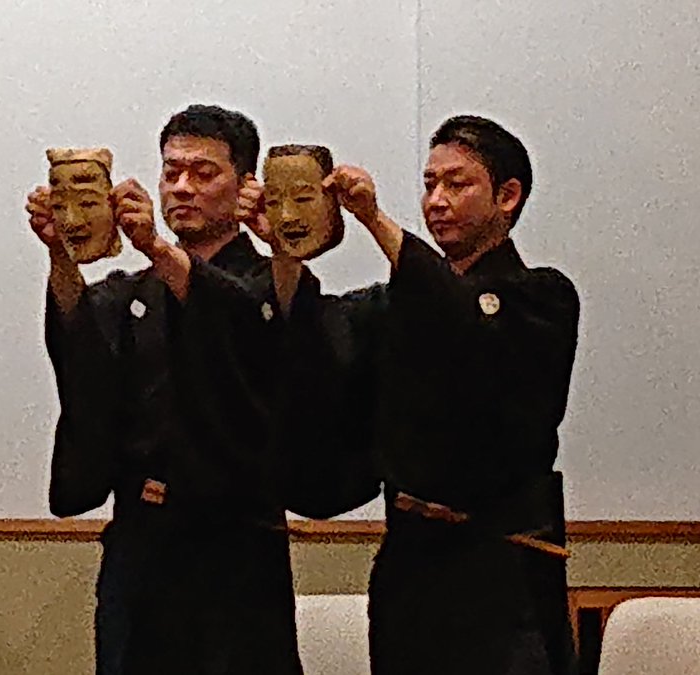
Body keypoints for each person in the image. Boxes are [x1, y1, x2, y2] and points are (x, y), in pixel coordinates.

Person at [268, 115, 580, 675]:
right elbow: (316, 341)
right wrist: (285, 250)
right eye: (430, 183)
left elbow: (460, 322)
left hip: (503, 565)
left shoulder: (541, 296)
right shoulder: (390, 305)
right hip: (410, 561)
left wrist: (373, 218)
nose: (436, 200)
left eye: (457, 184)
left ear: (507, 196)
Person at [29, 104, 323, 674]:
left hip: (236, 543)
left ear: (246, 186)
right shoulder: (132, 291)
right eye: (171, 172)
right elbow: (79, 349)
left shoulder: (273, 283)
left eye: (203, 173)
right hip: (142, 539)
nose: (182, 187)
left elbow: (250, 331)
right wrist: (59, 252)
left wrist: (157, 248)